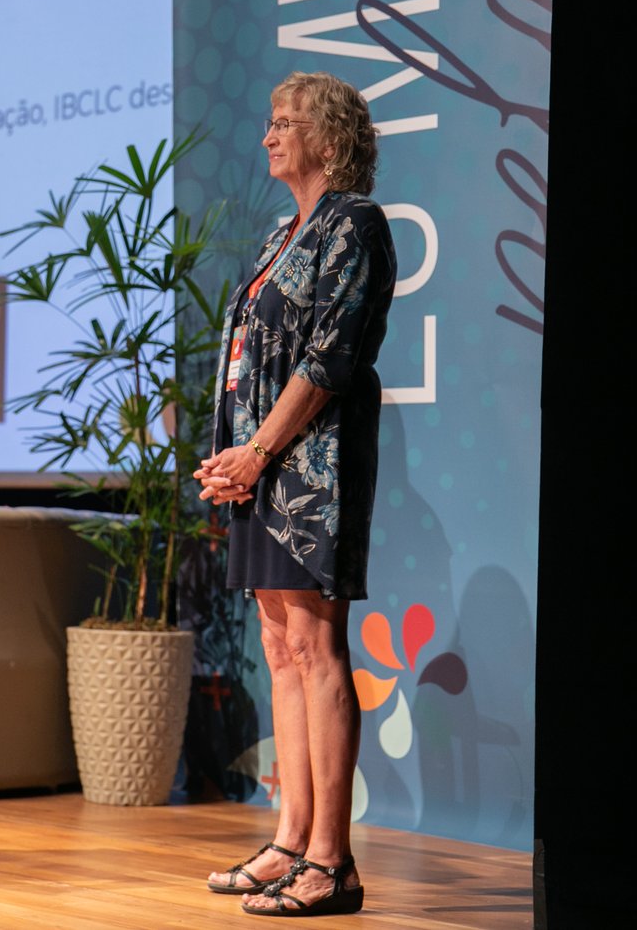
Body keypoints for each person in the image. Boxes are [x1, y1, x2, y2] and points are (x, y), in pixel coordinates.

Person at [195, 71, 397, 917]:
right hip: (261, 464)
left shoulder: (356, 224)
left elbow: (327, 358)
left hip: (312, 464)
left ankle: (331, 860)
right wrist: (230, 456)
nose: (269, 136)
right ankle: (289, 839)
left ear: (328, 137)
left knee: (316, 646)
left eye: (285, 122)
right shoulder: (284, 233)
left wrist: (258, 451)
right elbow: (250, 355)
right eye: (269, 121)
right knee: (280, 647)